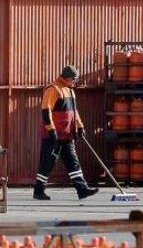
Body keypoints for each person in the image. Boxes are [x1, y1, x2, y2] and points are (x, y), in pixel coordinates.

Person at [33, 65, 99, 201]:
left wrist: (80, 126)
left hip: (67, 135)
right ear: (67, 78)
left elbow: (74, 112)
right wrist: (51, 129)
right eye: (74, 79)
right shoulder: (53, 89)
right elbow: (46, 111)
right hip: (53, 136)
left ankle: (82, 189)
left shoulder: (70, 90)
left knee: (73, 161)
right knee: (47, 162)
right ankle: (39, 191)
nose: (75, 82)